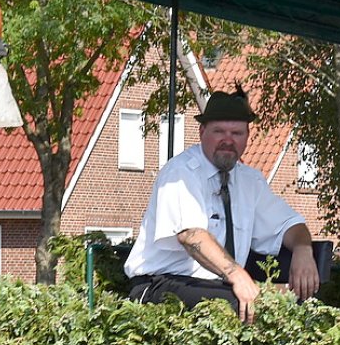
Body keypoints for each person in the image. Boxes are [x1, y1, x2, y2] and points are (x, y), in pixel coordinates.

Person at [125, 90, 320, 323]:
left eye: (236, 133)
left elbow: (289, 224)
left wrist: (303, 249)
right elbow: (191, 236)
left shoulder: (250, 181)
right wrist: (237, 275)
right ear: (202, 132)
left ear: (247, 137)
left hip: (217, 285)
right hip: (160, 283)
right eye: (219, 131)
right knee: (241, 306)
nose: (228, 140)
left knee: (295, 302)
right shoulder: (181, 173)